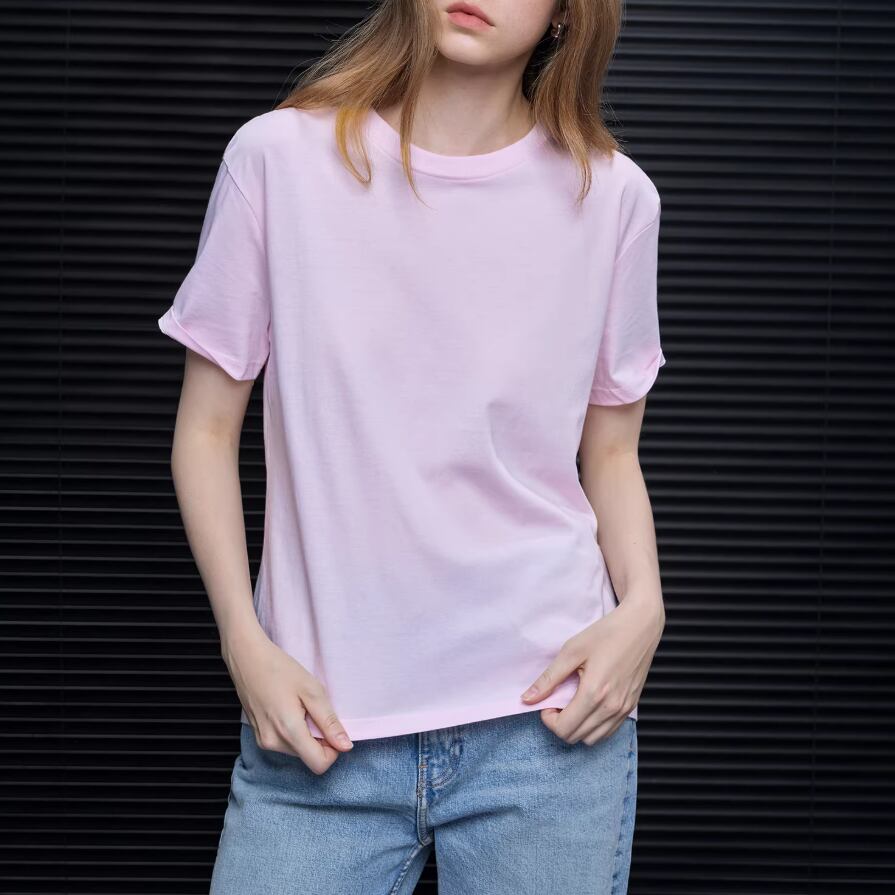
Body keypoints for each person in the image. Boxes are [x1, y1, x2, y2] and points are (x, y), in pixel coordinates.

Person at [157, 1, 667, 892]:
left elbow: (612, 452)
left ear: (565, 15)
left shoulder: (614, 197)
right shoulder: (278, 159)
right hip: (322, 730)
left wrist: (645, 609)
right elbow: (204, 430)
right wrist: (243, 638)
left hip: (545, 728)